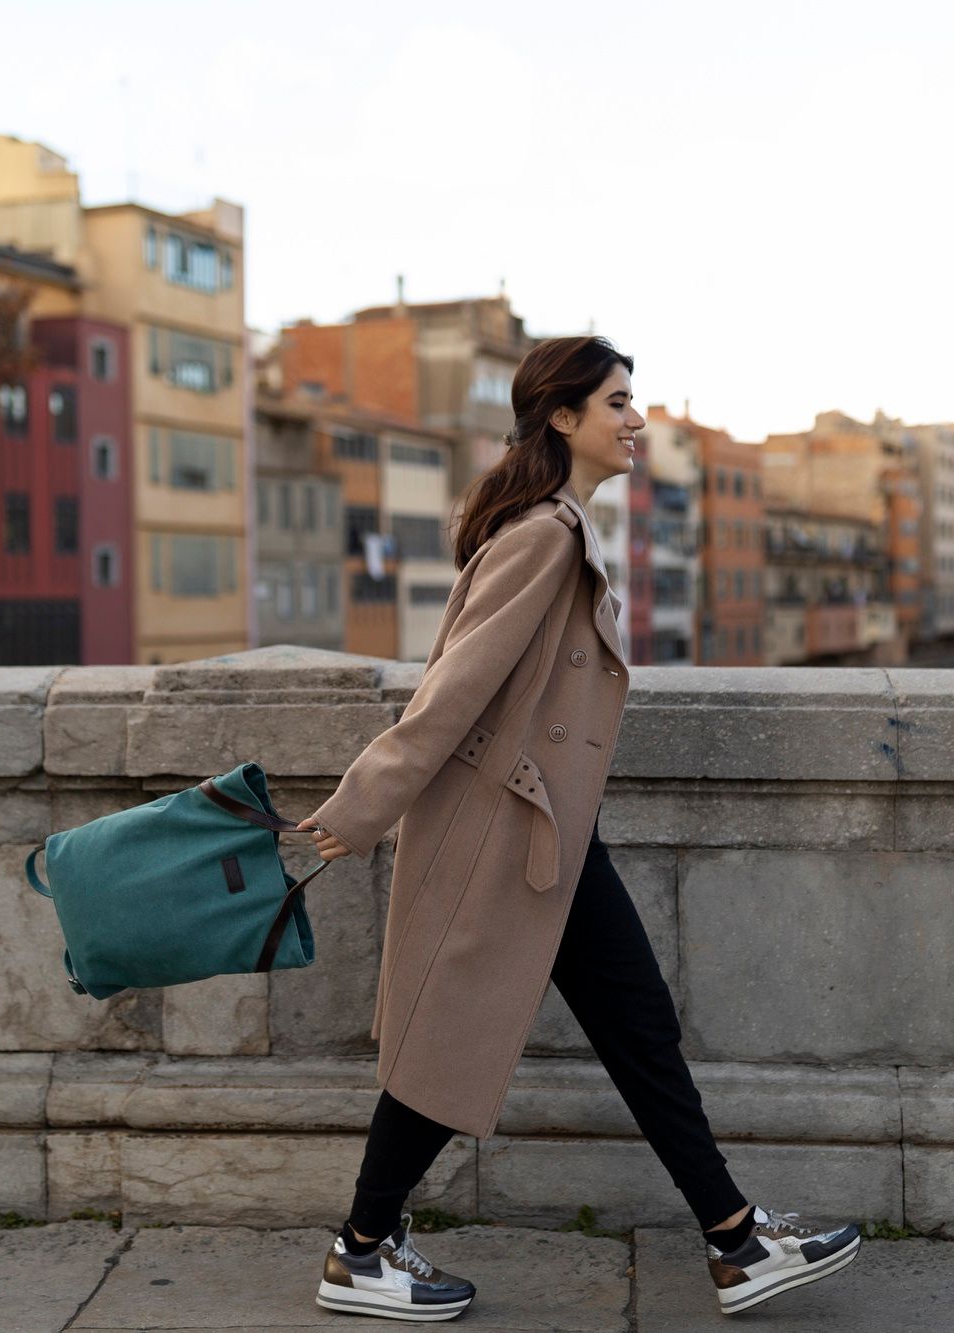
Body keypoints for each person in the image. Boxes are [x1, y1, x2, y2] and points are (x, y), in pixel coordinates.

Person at [295, 335, 859, 1322]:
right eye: (617, 402)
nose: (634, 419)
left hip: (544, 830)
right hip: (503, 833)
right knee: (450, 1037)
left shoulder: (550, 527)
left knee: (631, 1028)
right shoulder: (546, 536)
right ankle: (360, 1247)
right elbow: (450, 691)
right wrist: (363, 802)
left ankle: (733, 1241)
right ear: (562, 416)